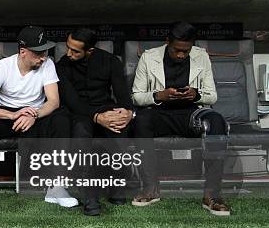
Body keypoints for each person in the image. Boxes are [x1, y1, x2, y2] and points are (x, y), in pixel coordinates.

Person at [131, 22, 230, 216]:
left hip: (191, 114)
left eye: (186, 51)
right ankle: (151, 188)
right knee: (141, 120)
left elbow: (213, 96)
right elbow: (136, 96)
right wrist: (160, 96)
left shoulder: (201, 56)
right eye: (177, 50)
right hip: (159, 112)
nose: (181, 55)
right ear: (167, 42)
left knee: (216, 121)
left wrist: (196, 95)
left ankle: (212, 195)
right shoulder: (149, 57)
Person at [0, 26, 70, 207]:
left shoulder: (48, 64)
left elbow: (53, 101)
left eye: (45, 51)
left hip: (34, 115)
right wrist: (13, 115)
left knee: (61, 120)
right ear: (23, 52)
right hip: (7, 115)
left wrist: (35, 115)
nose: (43, 56)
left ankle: (56, 187)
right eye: (38, 53)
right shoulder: (3, 66)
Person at [56, 29, 134, 216]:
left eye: (75, 51)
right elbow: (72, 101)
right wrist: (98, 118)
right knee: (81, 133)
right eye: (68, 48)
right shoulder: (62, 65)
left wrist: (127, 113)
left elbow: (123, 96)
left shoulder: (110, 61)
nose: (69, 53)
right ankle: (90, 195)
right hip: (78, 112)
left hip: (105, 109)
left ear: (89, 51)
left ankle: (116, 186)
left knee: (119, 128)